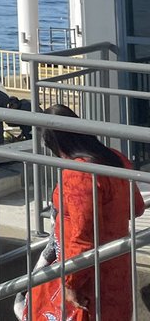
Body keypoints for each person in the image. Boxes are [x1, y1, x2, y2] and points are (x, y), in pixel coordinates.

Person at [26, 104, 145, 321]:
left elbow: (84, 238)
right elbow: (136, 207)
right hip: (118, 264)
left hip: (88, 275)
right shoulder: (116, 158)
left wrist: (70, 283)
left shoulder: (78, 174)